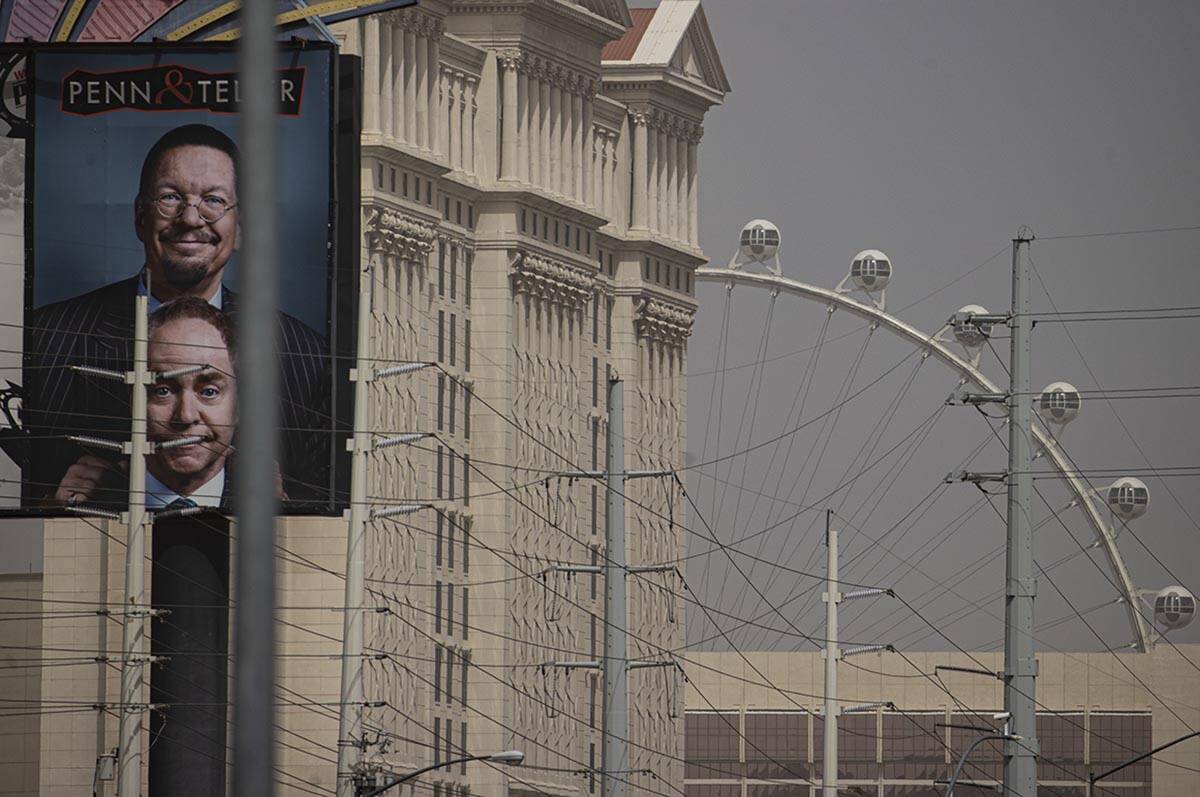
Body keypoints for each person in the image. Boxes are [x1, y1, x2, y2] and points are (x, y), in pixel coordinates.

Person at [24, 123, 329, 508]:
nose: (190, 218)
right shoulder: (47, 338)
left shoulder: (304, 354)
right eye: (170, 198)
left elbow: (324, 517)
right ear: (139, 216)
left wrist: (285, 509)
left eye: (214, 201)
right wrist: (52, 508)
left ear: (242, 226)